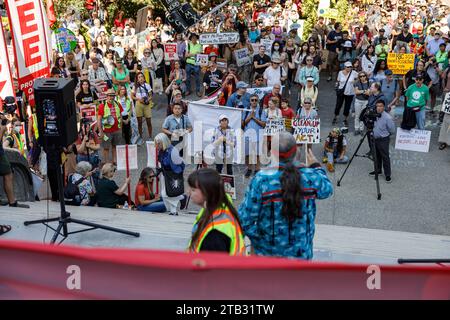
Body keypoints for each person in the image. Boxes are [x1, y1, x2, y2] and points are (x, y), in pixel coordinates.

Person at [238, 132, 333, 259]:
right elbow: (327, 190)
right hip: (301, 256)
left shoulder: (261, 180)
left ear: (272, 153)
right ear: (296, 152)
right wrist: (316, 166)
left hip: (267, 256)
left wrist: (261, 239)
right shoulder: (311, 176)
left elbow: (244, 220)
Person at [188, 168, 245, 254]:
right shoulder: (221, 207)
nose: (188, 192)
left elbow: (213, 264)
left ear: (207, 191)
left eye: (193, 190)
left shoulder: (215, 233)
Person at [154, 133, 187, 216]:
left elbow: (182, 164)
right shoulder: (161, 151)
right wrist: (159, 170)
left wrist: (176, 173)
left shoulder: (173, 151)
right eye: (156, 143)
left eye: (159, 143)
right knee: (169, 193)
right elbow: (162, 162)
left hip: (174, 174)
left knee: (166, 194)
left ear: (164, 142)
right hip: (166, 174)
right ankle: (173, 211)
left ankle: (182, 197)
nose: (157, 145)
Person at [371, 100, 396, 183]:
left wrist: (385, 135)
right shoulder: (374, 115)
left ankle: (387, 175)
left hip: (383, 139)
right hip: (375, 139)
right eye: (377, 106)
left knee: (385, 157)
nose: (378, 108)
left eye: (381, 106)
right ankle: (378, 170)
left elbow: (392, 130)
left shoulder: (387, 118)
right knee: (376, 155)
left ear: (384, 107)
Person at [242, 94, 267, 178]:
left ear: (258, 101)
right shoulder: (245, 110)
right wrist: (250, 117)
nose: (254, 101)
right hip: (247, 135)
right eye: (252, 100)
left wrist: (254, 118)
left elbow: (264, 124)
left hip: (258, 135)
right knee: (248, 154)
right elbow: (242, 124)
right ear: (250, 101)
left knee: (257, 154)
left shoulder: (261, 111)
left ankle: (257, 169)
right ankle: (249, 169)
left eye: (256, 100)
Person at [97, 89, 124, 164]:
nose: (111, 97)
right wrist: (100, 132)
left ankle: (114, 161)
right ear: (107, 96)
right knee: (106, 148)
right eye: (110, 96)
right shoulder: (102, 106)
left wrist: (121, 128)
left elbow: (120, 116)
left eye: (113, 96)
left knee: (115, 146)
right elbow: (99, 120)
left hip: (117, 130)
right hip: (106, 131)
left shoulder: (117, 104)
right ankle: (107, 162)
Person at [333, 61, 358, 126]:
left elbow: (359, 78)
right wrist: (336, 88)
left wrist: (355, 81)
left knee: (347, 106)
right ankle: (335, 117)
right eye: (348, 67)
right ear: (344, 67)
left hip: (350, 92)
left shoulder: (354, 73)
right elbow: (338, 81)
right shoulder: (340, 73)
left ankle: (345, 119)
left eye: (350, 67)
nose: (349, 68)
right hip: (341, 92)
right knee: (338, 105)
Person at [131, 72, 153, 138]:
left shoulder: (147, 85)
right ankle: (140, 136)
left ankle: (150, 136)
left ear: (144, 78)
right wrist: (138, 99)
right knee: (139, 122)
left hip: (146, 104)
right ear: (137, 79)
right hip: (139, 103)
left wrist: (147, 100)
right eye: (139, 77)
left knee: (148, 121)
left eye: (142, 77)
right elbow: (132, 96)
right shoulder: (135, 86)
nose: (141, 78)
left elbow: (151, 96)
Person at [353, 71, 371, 135]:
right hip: (358, 101)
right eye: (361, 76)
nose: (362, 77)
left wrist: (360, 91)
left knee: (363, 115)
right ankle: (356, 128)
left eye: (364, 76)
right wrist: (364, 91)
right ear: (359, 77)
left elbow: (369, 93)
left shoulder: (369, 83)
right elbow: (356, 92)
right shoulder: (357, 83)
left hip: (366, 101)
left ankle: (361, 129)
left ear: (366, 76)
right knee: (357, 115)